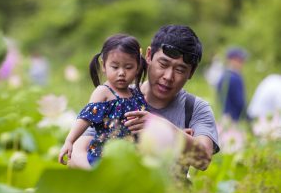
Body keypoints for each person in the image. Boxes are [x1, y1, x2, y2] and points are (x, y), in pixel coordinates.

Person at [68, 25, 220, 171]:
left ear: (191, 73)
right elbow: (76, 151)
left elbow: (203, 160)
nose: (168, 76)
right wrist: (98, 177)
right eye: (163, 64)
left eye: (180, 70)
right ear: (148, 56)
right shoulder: (117, 97)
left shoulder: (196, 108)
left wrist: (163, 129)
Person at [58, 34, 147, 165]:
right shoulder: (103, 92)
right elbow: (85, 118)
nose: (121, 73)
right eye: (115, 67)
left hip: (130, 157)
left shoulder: (136, 92)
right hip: (103, 157)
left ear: (138, 68)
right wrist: (70, 141)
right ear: (104, 66)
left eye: (128, 67)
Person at [216, 47, 248, 122]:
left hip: (224, 118)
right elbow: (240, 103)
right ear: (231, 60)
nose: (242, 63)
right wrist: (248, 119)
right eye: (240, 60)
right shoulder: (236, 78)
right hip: (235, 120)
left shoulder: (222, 76)